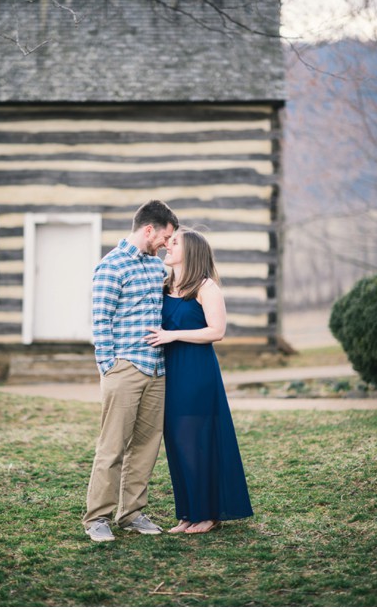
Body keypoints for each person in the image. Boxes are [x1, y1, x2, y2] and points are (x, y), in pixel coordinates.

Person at [145, 229, 253, 534]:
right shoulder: (164, 286)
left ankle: (208, 514)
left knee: (197, 441)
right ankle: (188, 514)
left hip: (196, 372)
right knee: (177, 442)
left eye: (175, 242)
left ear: (191, 251)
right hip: (169, 372)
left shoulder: (206, 288)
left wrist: (174, 335)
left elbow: (216, 331)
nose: (168, 244)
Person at [83, 200, 178, 543]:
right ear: (149, 229)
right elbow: (100, 322)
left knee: (147, 445)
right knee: (112, 446)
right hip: (125, 368)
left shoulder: (157, 269)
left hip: (157, 370)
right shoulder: (111, 267)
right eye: (165, 236)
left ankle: (131, 513)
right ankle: (97, 518)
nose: (168, 244)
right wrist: (109, 367)